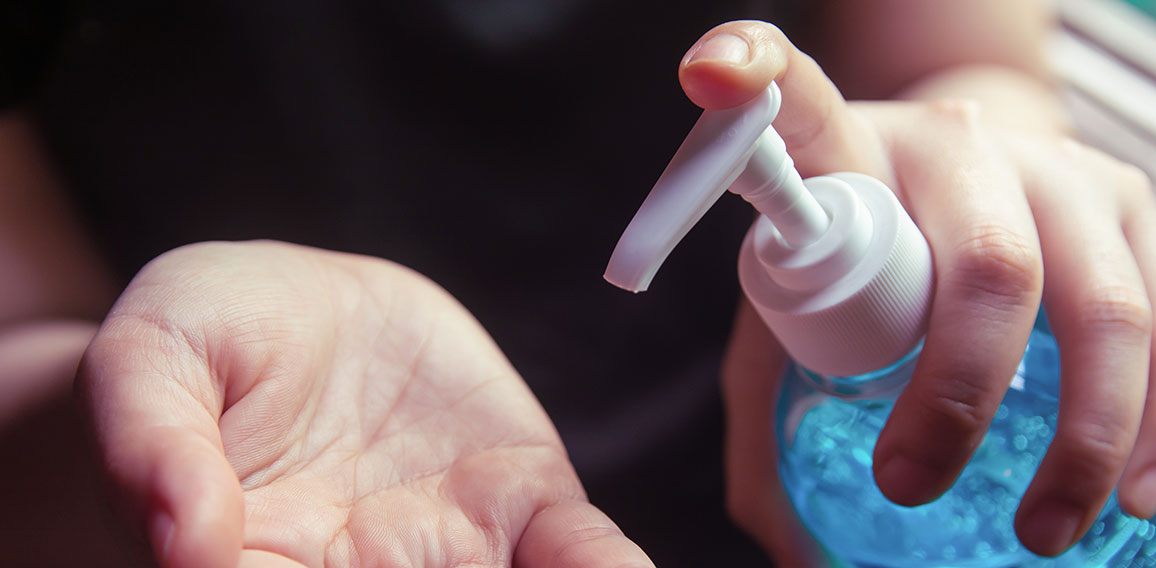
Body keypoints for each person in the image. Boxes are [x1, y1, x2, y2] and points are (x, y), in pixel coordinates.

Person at [2, 1, 1154, 566]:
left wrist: (985, 165)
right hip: (340, 497)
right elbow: (21, 326)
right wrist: (138, 414)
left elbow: (963, 54)